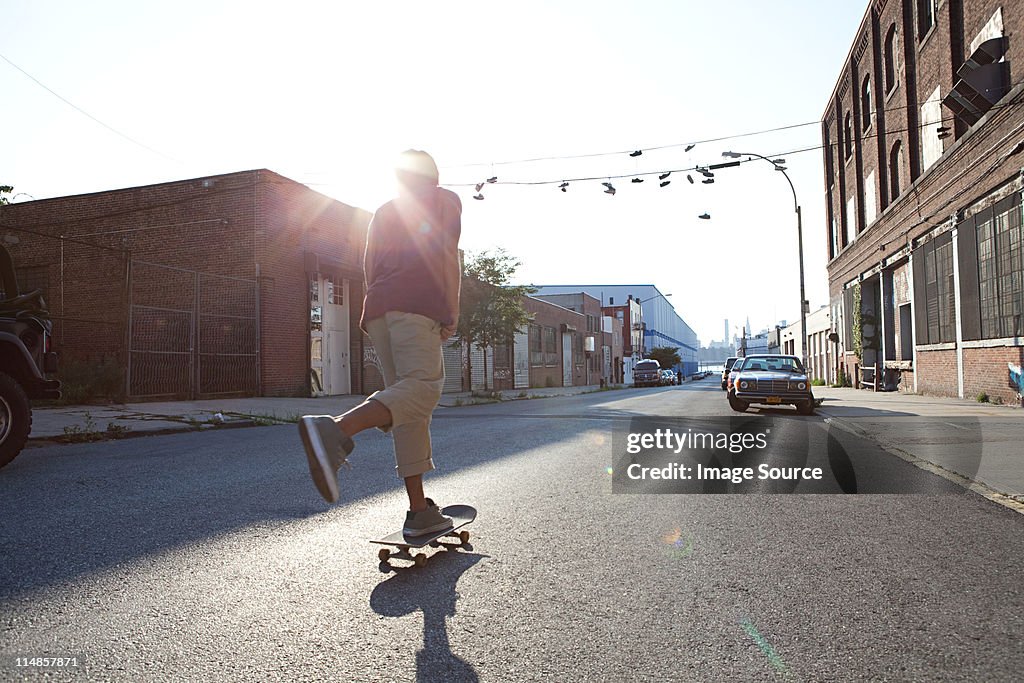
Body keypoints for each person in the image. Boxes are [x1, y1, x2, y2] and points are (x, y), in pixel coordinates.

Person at [298, 149, 462, 536]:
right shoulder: (445, 200)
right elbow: (447, 255)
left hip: (380, 310)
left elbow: (369, 268)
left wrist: (378, 311)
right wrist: (450, 311)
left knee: (407, 407)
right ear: (433, 174)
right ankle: (335, 429)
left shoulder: (385, 211)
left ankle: (419, 510)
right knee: (422, 389)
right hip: (416, 308)